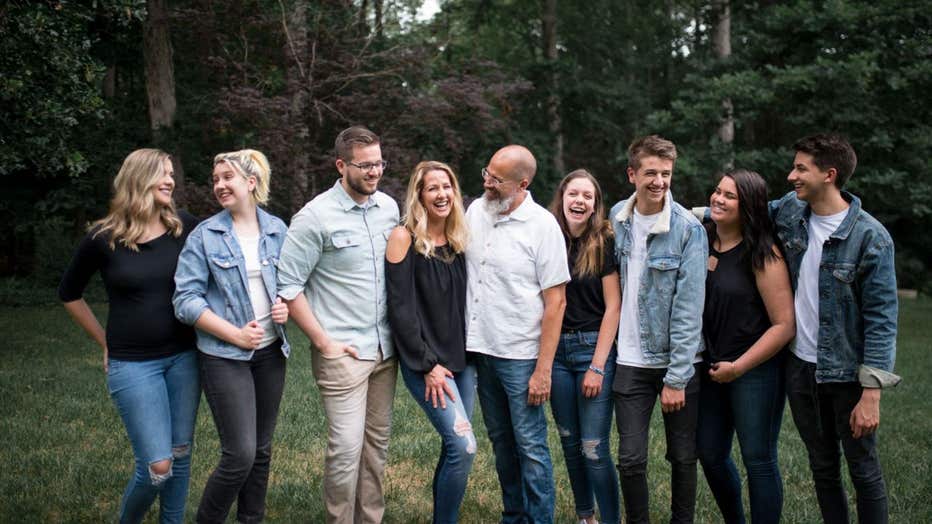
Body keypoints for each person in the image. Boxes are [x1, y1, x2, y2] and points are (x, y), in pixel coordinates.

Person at [58, 149, 200, 524]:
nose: (171, 180)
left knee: (181, 454)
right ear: (138, 178)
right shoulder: (102, 238)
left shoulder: (183, 226)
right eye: (162, 174)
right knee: (158, 466)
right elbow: (69, 293)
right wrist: (105, 341)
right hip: (133, 364)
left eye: (172, 173)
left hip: (185, 357)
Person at [775, 134, 899, 524]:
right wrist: (674, 212)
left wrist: (871, 394)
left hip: (846, 375)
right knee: (822, 466)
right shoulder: (791, 213)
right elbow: (737, 209)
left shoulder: (870, 237)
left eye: (800, 168)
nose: (791, 175)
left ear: (829, 175)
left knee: (863, 469)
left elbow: (882, 318)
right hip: (800, 367)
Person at [277, 126, 399, 524]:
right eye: (365, 165)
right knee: (346, 450)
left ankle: (370, 520)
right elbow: (289, 287)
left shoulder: (389, 209)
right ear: (341, 165)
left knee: (375, 447)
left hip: (385, 350)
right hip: (342, 351)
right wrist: (323, 342)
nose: (375, 172)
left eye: (379, 163)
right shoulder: (314, 218)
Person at [173, 149, 290, 523]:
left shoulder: (277, 230)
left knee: (261, 450)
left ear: (251, 183)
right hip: (223, 354)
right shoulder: (205, 235)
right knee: (239, 453)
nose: (219, 185)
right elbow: (185, 300)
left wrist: (285, 305)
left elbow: (290, 284)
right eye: (216, 179)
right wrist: (235, 334)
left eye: (228, 178)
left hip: (271, 352)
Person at [465, 145, 569, 524]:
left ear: (522, 183)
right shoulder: (476, 211)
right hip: (481, 350)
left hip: (521, 356)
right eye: (487, 174)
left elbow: (555, 302)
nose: (487, 183)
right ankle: (514, 516)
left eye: (497, 179)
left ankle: (539, 519)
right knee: (502, 444)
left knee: (531, 448)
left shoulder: (543, 226)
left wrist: (543, 370)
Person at [609, 135, 706, 524]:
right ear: (632, 174)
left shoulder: (686, 229)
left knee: (683, 456)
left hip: (675, 362)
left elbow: (689, 309)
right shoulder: (619, 217)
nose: (659, 182)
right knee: (630, 459)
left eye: (666, 174)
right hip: (629, 361)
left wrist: (678, 377)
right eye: (651, 173)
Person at [696, 169, 795, 524]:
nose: (718, 199)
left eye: (730, 196)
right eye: (717, 191)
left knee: (758, 458)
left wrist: (739, 367)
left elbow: (785, 325)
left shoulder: (762, 252)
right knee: (709, 452)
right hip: (710, 367)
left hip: (755, 370)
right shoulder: (702, 238)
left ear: (748, 205)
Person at [386, 161, 475, 524]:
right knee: (464, 446)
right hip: (426, 363)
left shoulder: (458, 240)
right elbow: (400, 309)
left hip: (463, 362)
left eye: (446, 186)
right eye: (432, 188)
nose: (441, 194)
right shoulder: (404, 237)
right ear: (419, 195)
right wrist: (427, 366)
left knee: (452, 448)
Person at [546, 170, 621, 524]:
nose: (579, 201)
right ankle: (584, 516)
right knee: (570, 443)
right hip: (556, 352)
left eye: (587, 196)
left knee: (593, 447)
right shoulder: (547, 238)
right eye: (573, 193)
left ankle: (609, 518)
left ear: (594, 205)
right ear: (562, 197)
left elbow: (614, 307)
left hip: (592, 348)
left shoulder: (603, 241)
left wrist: (597, 366)